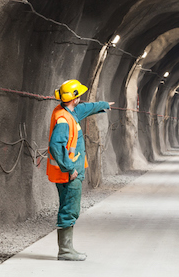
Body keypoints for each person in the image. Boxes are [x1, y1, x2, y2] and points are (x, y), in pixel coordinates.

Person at [47, 79, 113, 261]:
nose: (81, 99)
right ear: (75, 98)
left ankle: (67, 249)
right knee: (69, 209)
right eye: (79, 96)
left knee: (69, 208)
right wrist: (69, 168)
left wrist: (103, 105)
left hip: (69, 171)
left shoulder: (68, 112)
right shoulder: (63, 120)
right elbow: (55, 145)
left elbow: (85, 109)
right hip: (68, 173)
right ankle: (66, 251)